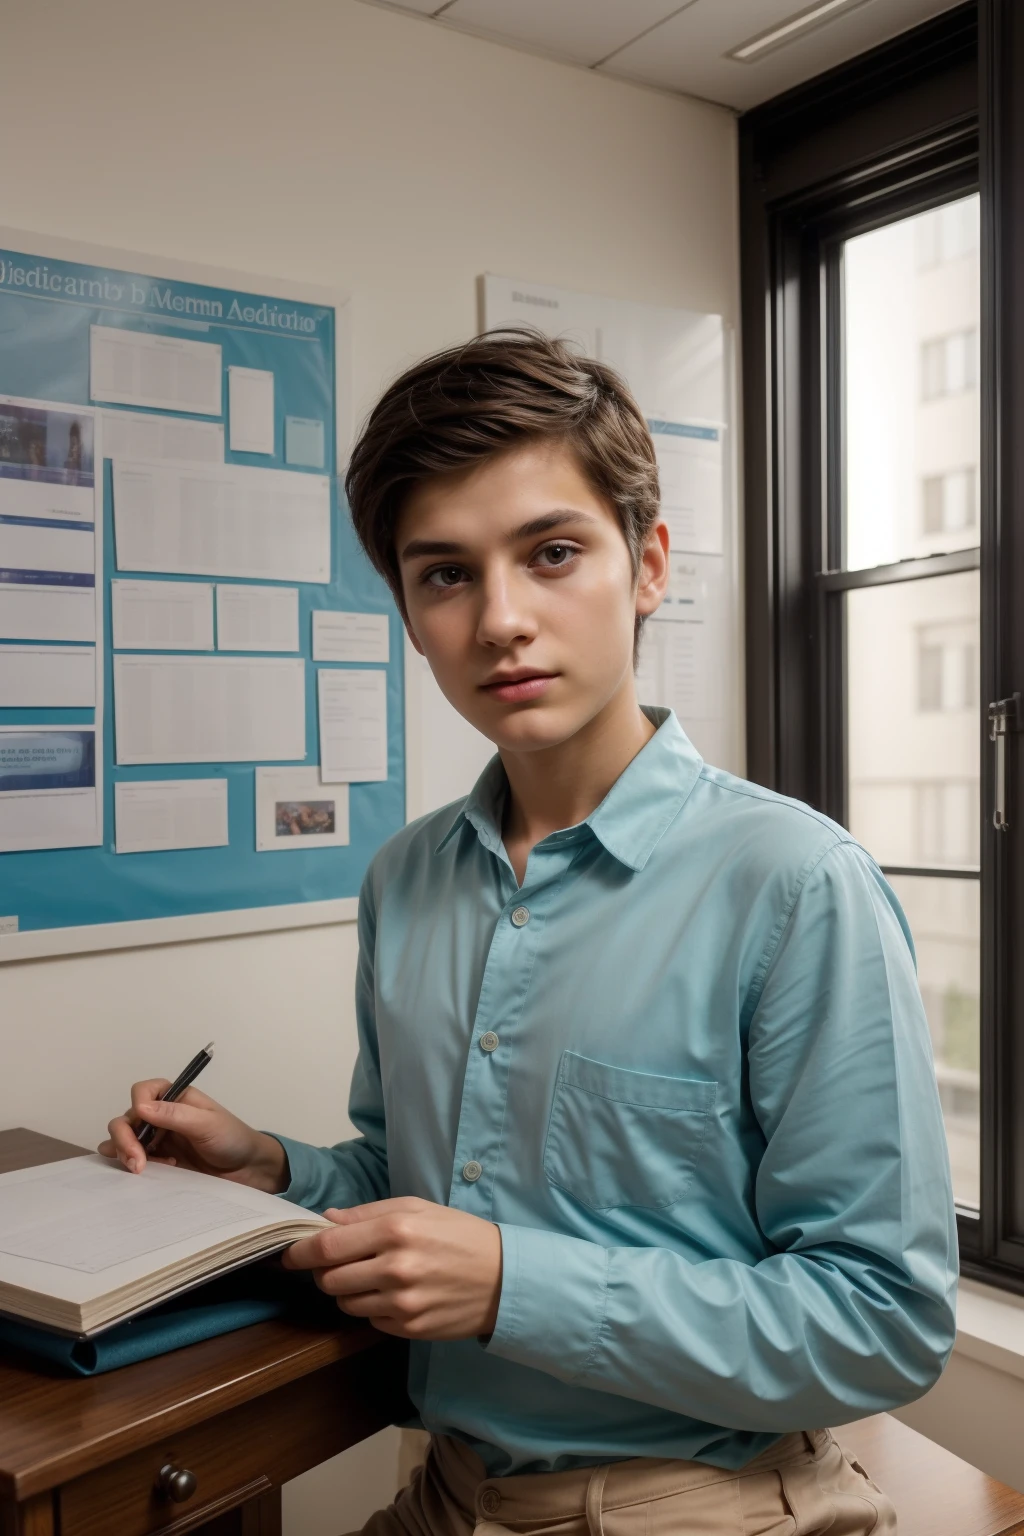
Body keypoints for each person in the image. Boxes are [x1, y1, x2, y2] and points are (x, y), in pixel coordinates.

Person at [101, 331, 957, 1536]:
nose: (501, 619)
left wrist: (515, 1284)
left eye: (552, 553)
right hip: (451, 1492)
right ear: (405, 608)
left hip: (698, 1505)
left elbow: (883, 1325)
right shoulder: (406, 879)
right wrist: (269, 1171)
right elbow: (417, 1190)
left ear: (647, 564)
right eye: (444, 574)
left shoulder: (795, 883)